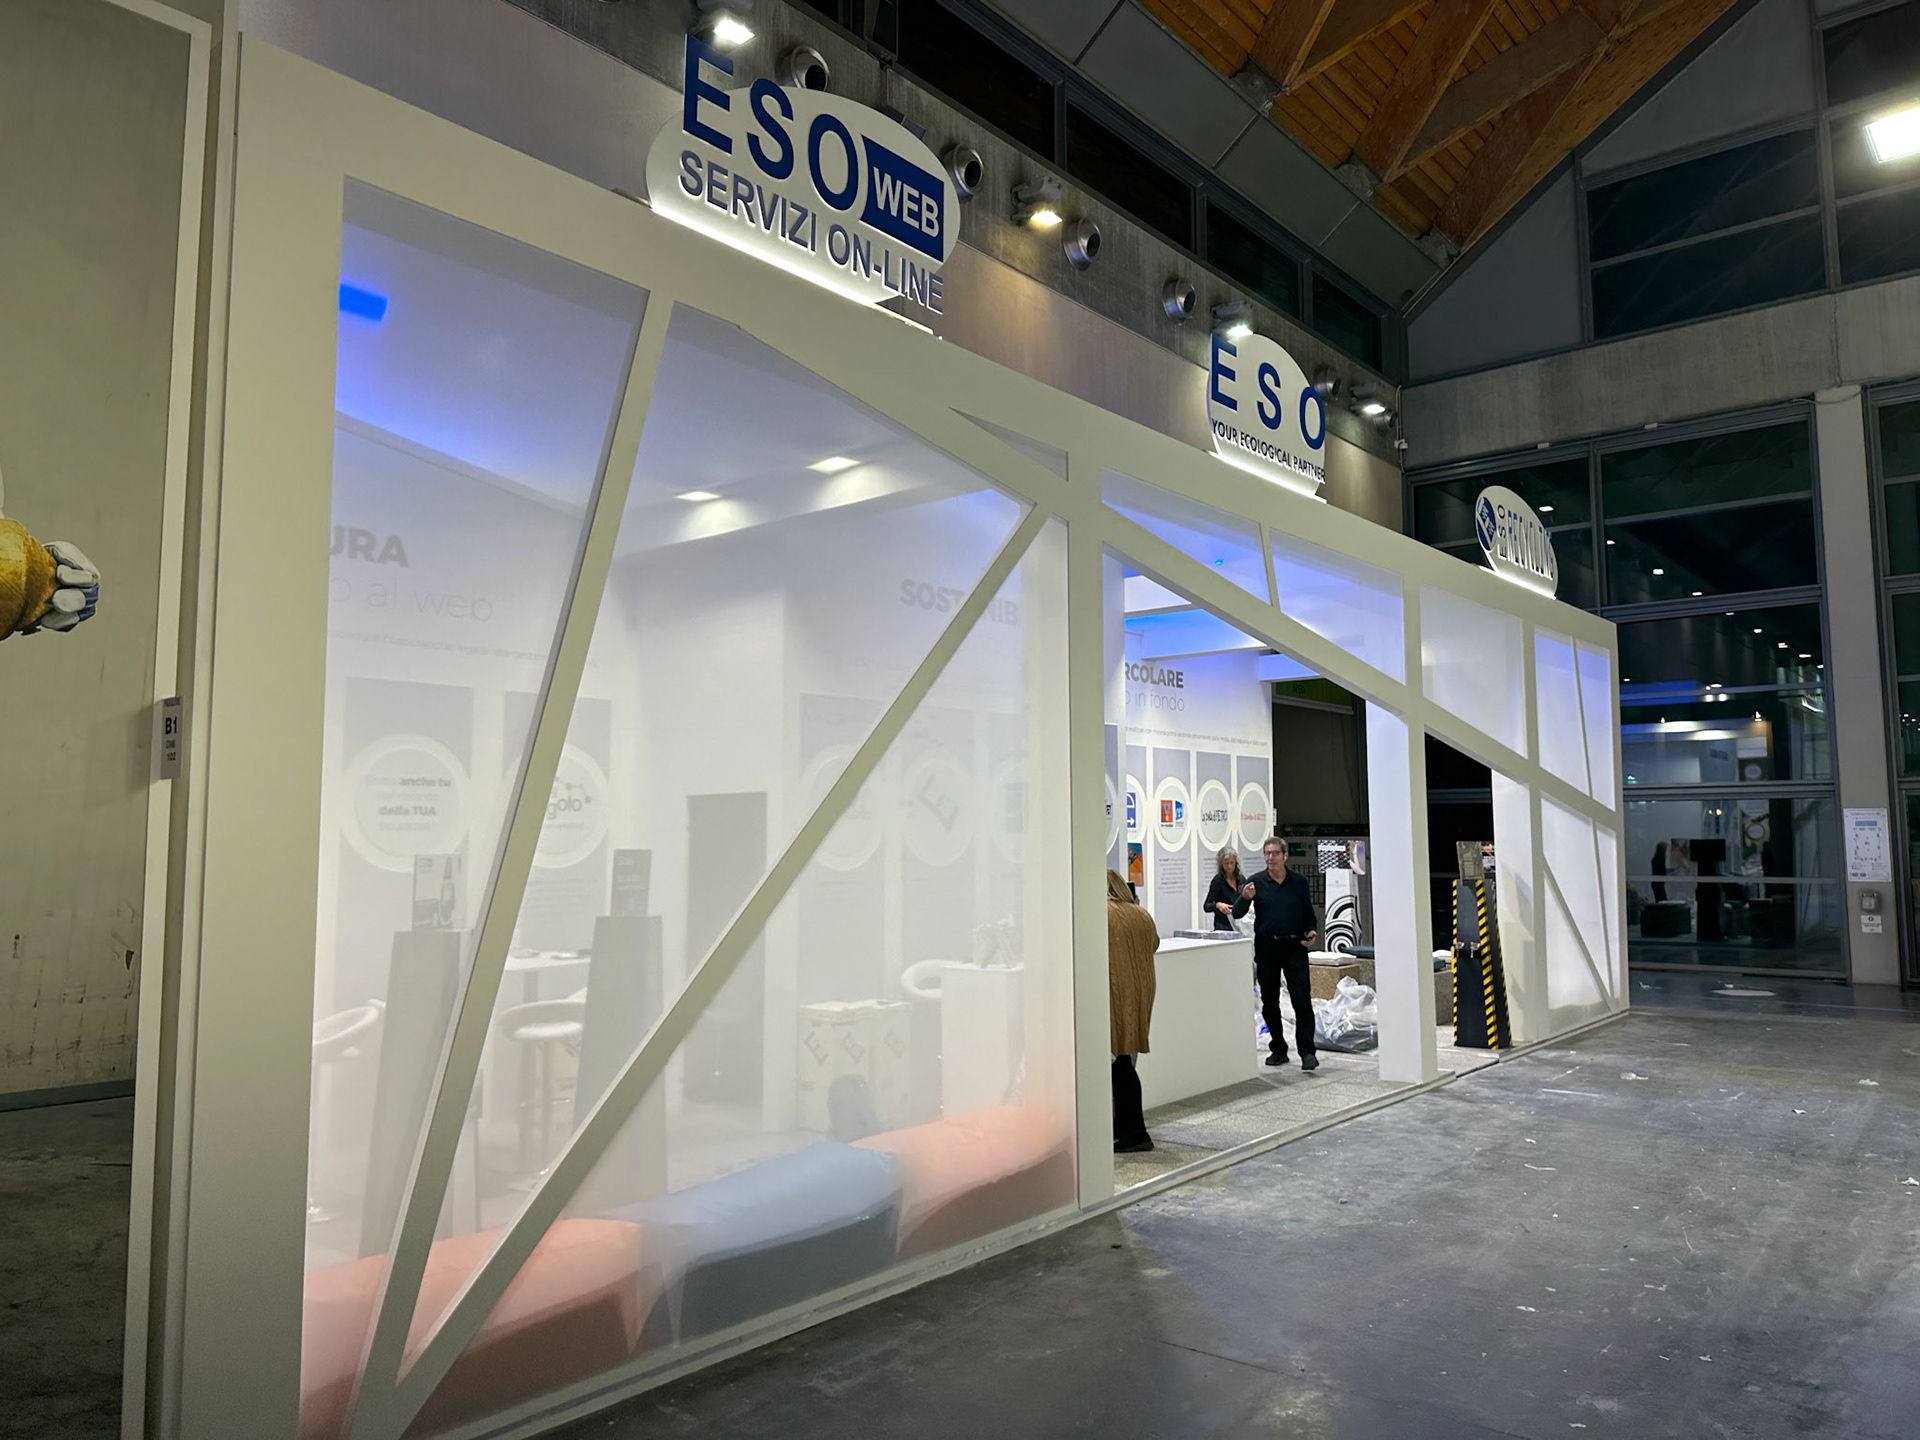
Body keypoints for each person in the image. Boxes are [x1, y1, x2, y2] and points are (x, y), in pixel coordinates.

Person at [1233, 836, 1320, 1071]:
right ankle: (1278, 1048)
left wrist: (1311, 930)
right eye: (1267, 854)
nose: (1270, 858)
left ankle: (1307, 1052)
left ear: (1285, 856)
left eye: (1274, 853)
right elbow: (1237, 913)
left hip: (1294, 947)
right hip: (1267, 948)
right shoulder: (1255, 882)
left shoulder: (1298, 882)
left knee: (1302, 1001)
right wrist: (1245, 898)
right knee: (1270, 1002)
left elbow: (1308, 914)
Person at [1106, 867, 1158, 1153]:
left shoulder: (1102, 913)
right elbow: (1154, 945)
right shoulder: (1141, 913)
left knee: (1119, 1065)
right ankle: (1124, 1126)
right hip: (1140, 994)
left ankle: (1136, 1132)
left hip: (1114, 995)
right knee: (1124, 1060)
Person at [1203, 847, 1246, 932]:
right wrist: (1218, 905)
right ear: (1221, 864)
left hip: (1240, 924)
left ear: (1236, 862)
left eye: (1232, 863)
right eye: (1226, 863)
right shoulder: (1218, 881)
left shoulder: (1241, 879)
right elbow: (1207, 906)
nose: (1229, 866)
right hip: (1223, 926)